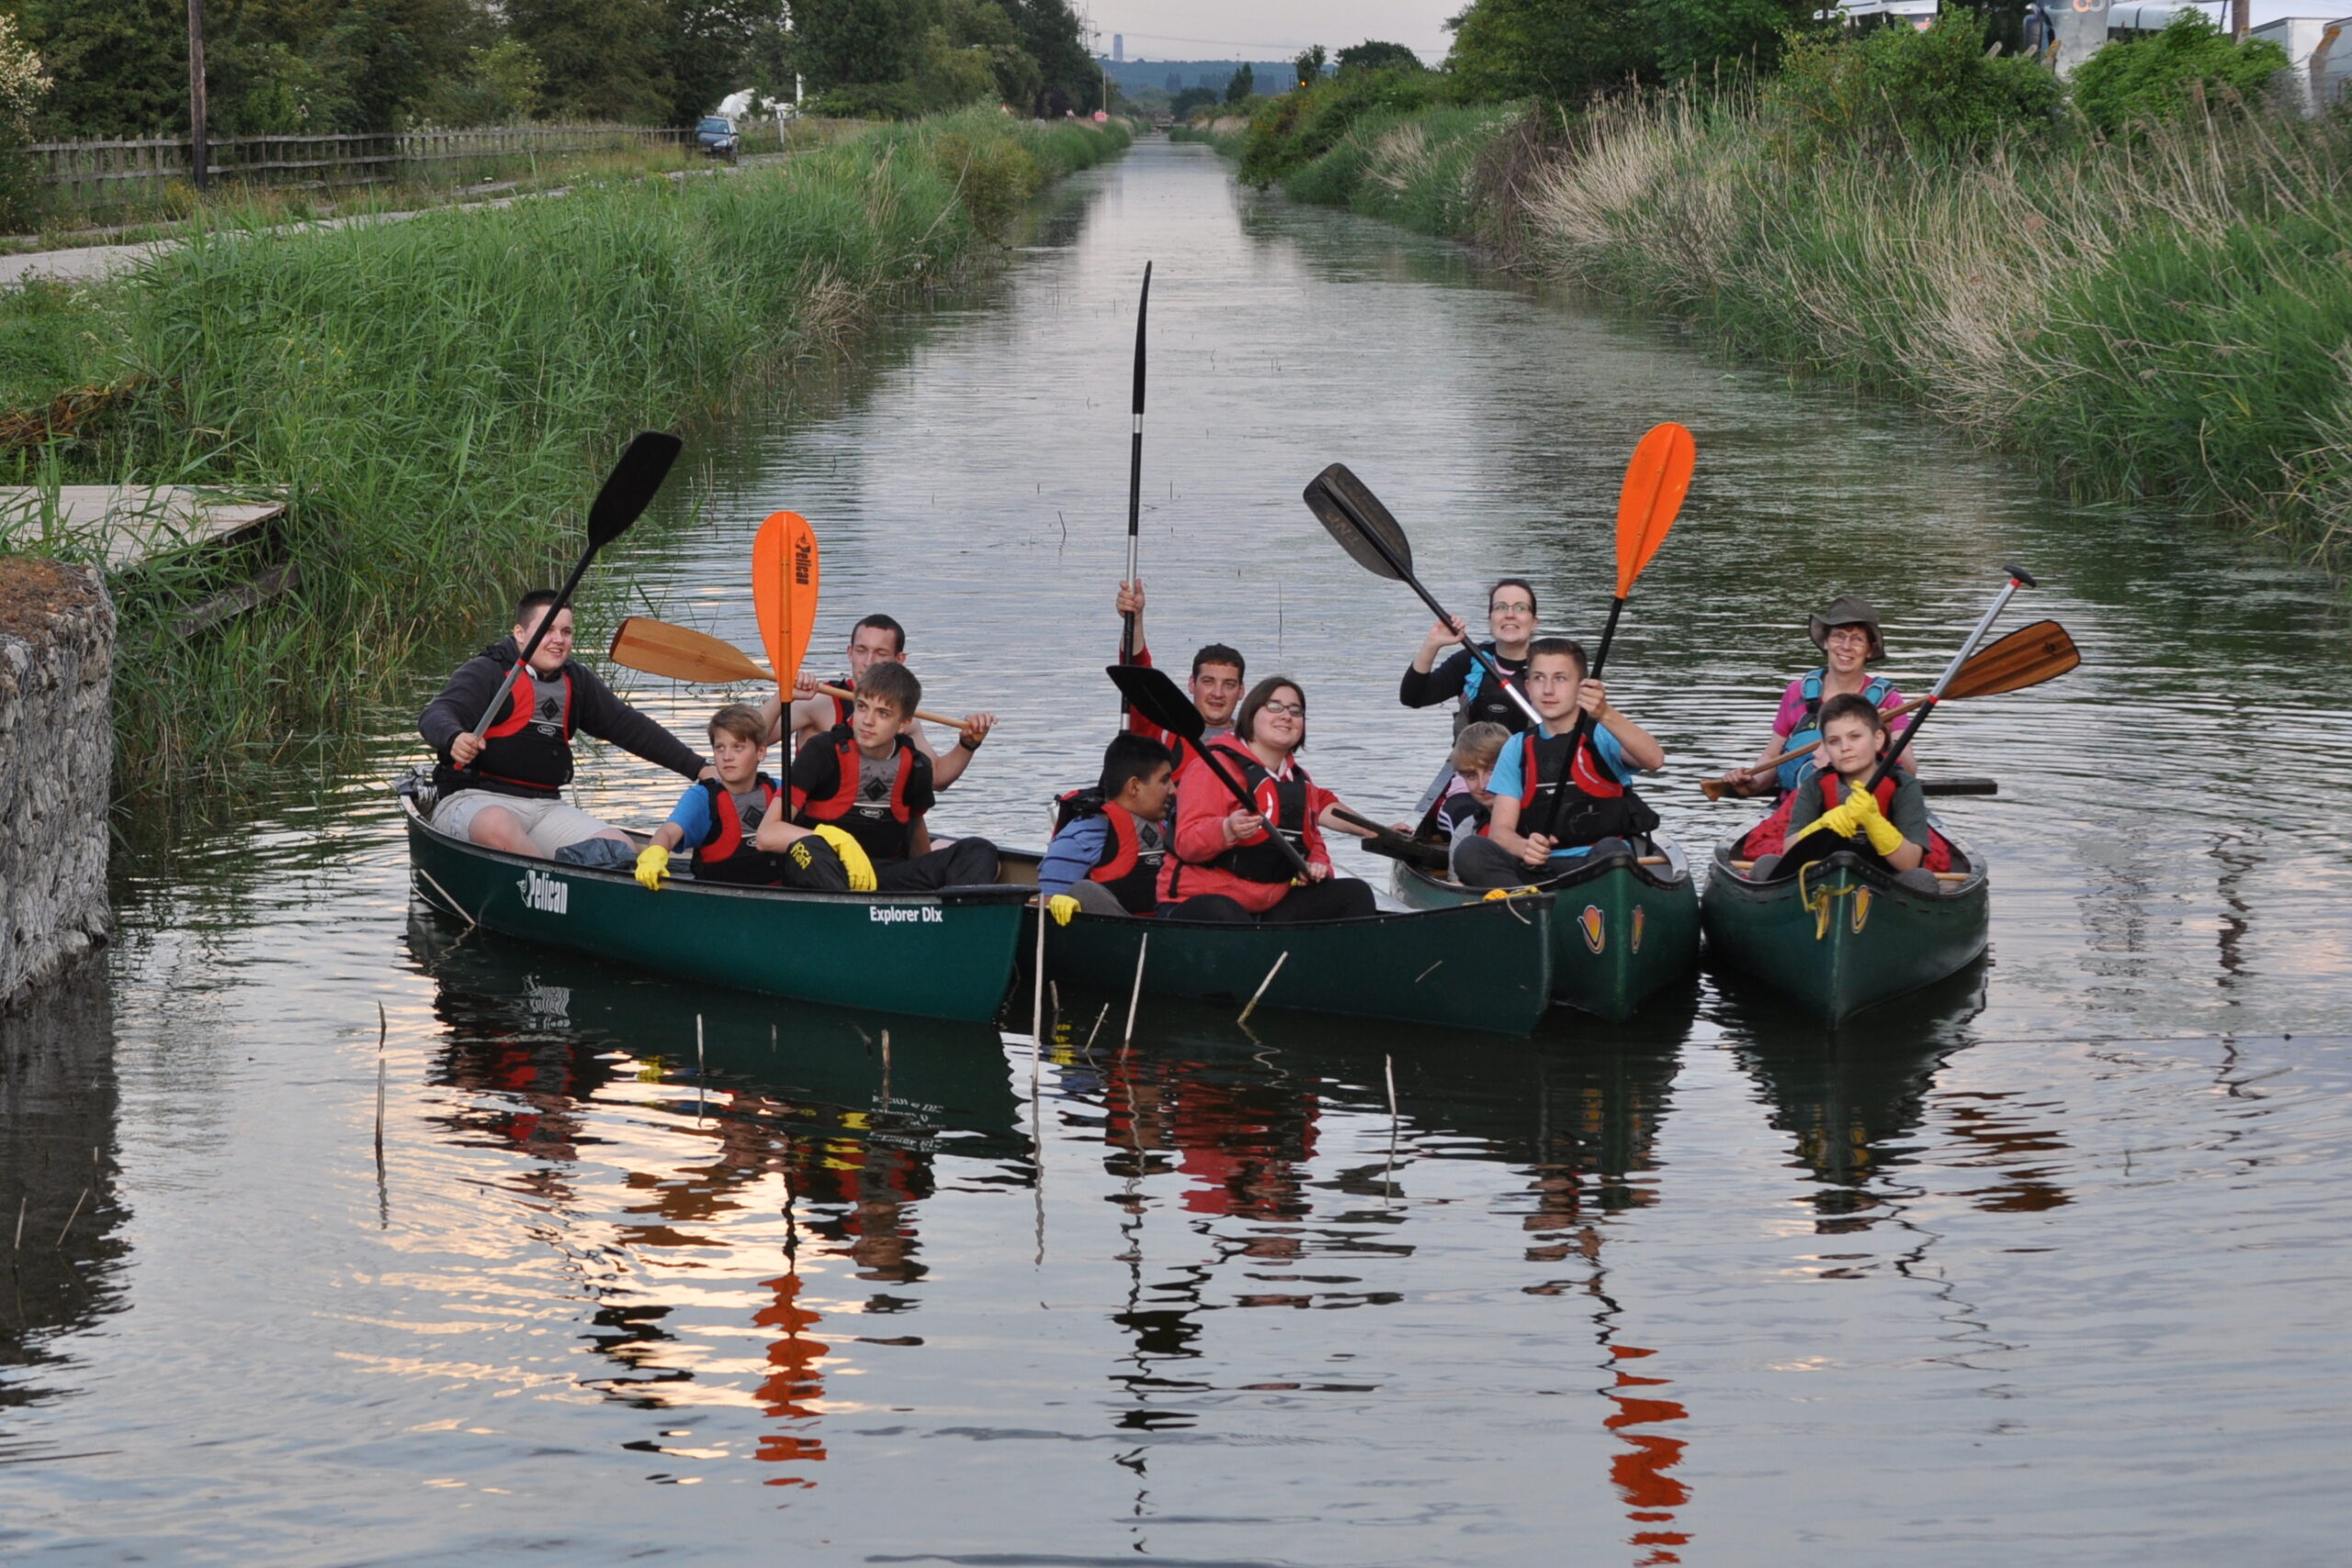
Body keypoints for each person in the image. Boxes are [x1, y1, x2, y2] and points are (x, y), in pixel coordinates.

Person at [419, 589, 709, 865]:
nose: (558, 640)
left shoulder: (577, 681)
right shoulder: (488, 671)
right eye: (547, 630)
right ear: (520, 633)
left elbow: (629, 727)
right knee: (499, 825)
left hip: (546, 808)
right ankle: (552, 880)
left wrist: (699, 768)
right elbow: (436, 714)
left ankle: (563, 882)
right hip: (473, 800)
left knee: (619, 847)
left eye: (566, 631)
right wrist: (454, 737)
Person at [1159, 676, 1378, 923]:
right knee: (1225, 911)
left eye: (1295, 711)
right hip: (1199, 903)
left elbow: (1313, 841)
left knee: (1355, 893)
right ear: (1251, 714)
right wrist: (1227, 829)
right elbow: (1187, 843)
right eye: (1274, 707)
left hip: (1268, 906)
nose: (1286, 716)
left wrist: (1318, 866)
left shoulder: (1300, 780)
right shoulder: (1211, 768)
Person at [1453, 638, 1665, 888]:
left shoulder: (1602, 733)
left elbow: (1654, 760)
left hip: (1598, 864)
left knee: (1613, 850)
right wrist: (1524, 847)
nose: (1548, 690)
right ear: (1528, 687)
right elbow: (1501, 832)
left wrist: (1605, 713)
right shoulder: (1516, 747)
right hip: (1540, 869)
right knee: (1470, 850)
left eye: (1560, 679)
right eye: (1539, 678)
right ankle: (1528, 901)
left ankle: (1579, 903)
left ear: (1581, 687)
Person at [777, 660, 999, 890]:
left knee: (978, 850)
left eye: (883, 713)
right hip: (825, 867)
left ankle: (951, 910)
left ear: (903, 724)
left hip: (881, 876)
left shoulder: (916, 765)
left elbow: (917, 836)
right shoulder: (822, 751)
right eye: (862, 707)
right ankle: (850, 909)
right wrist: (835, 840)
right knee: (808, 848)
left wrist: (933, 869)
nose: (868, 721)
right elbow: (768, 834)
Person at [632, 704, 874, 893]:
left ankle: (848, 903)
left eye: (738, 747)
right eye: (719, 748)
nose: (727, 757)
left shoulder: (778, 791)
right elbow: (668, 833)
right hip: (721, 902)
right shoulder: (702, 798)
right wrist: (655, 852)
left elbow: (811, 831)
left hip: (782, 897)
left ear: (761, 752)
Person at [1718, 595, 1913, 801]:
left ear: (1869, 650)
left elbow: (1909, 771)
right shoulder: (1797, 692)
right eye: (1838, 636)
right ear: (1826, 642)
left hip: (1859, 808)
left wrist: (1886, 740)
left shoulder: (1888, 701)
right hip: (1797, 805)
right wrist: (1753, 782)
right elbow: (1773, 757)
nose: (1846, 646)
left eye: (1857, 639)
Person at [770, 614, 995, 787]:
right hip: (817, 828)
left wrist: (968, 744)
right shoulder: (818, 701)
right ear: (850, 653)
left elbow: (936, 779)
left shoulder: (904, 718)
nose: (868, 662)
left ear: (899, 660)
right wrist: (782, 696)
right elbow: (757, 739)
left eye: (880, 653)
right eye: (861, 650)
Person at [1753, 693, 1949, 890]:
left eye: (1855, 737)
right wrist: (1823, 825)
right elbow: (1789, 850)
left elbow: (1910, 863)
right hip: (1820, 880)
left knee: (1921, 880)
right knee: (1765, 866)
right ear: (1825, 747)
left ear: (1878, 739)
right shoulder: (1815, 784)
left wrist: (1874, 822)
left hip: (1884, 884)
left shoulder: (1903, 785)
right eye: (1834, 741)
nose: (1845, 747)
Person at [1037, 732, 1175, 919]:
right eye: (1164, 780)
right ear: (1134, 786)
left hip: (1164, 927)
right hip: (1112, 935)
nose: (1173, 790)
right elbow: (1046, 915)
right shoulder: (1078, 841)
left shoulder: (1170, 831)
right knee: (1084, 891)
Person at [1114, 580, 1245, 769]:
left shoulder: (1256, 740)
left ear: (1241, 691)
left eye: (1229, 685)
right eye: (1208, 681)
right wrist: (1135, 619)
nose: (1218, 693)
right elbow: (1137, 677)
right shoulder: (1164, 731)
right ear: (1192, 684)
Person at [1399, 578, 1542, 737]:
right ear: (1490, 620)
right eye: (1500, 607)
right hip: (1471, 753)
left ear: (1534, 622)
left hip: (1532, 753)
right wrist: (1431, 645)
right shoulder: (1470, 660)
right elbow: (1412, 697)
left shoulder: (1550, 664)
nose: (1510, 615)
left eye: (1520, 608)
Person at [1413, 721, 1510, 879]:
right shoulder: (1464, 832)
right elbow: (1457, 885)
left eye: (1491, 771)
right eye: (1471, 776)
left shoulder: (1540, 817)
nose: (1483, 785)